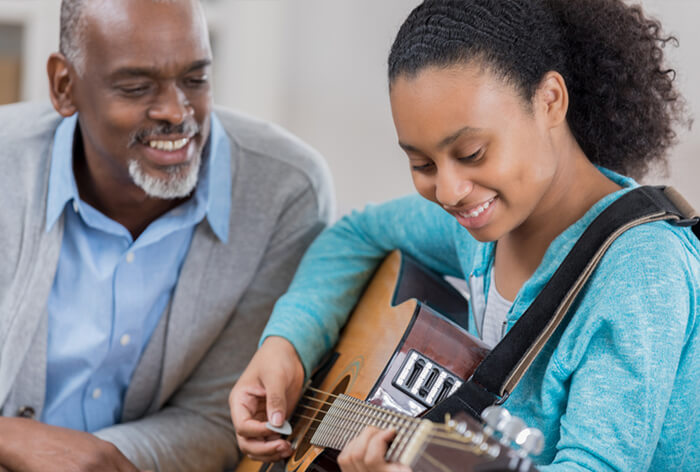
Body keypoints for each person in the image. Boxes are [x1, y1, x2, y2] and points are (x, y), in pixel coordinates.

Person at [229, 0, 699, 471]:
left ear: (550, 100)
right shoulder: (486, 227)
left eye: (472, 152)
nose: (450, 192)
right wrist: (287, 346)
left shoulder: (641, 274)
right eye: (422, 164)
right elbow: (354, 236)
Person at [0, 0, 334, 471]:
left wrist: (103, 460)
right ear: (64, 85)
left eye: (196, 79)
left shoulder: (284, 191)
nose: (177, 112)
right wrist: (12, 439)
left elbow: (223, 414)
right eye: (136, 87)